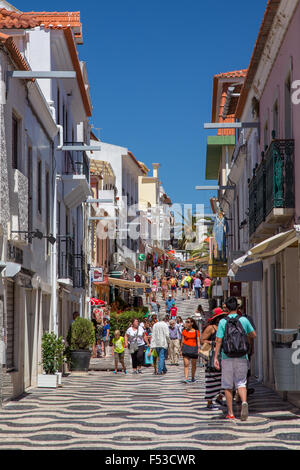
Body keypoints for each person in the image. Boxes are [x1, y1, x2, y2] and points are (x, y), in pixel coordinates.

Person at [214, 297, 256, 421]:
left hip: (227, 356)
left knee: (227, 385)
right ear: (238, 307)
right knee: (241, 382)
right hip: (242, 355)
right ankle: (244, 402)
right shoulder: (244, 320)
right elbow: (253, 335)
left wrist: (216, 357)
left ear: (226, 307)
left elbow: (219, 340)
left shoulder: (222, 322)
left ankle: (231, 413)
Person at [201, 309, 228, 410]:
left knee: (224, 378)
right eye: (221, 317)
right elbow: (202, 340)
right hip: (213, 356)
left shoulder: (224, 327)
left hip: (224, 355)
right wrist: (212, 343)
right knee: (211, 379)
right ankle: (209, 402)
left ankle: (220, 397)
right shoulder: (211, 328)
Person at [181, 317, 201, 383]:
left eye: (188, 322)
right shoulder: (184, 331)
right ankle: (186, 378)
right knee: (186, 364)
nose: (186, 323)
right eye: (186, 322)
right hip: (186, 348)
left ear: (192, 323)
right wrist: (180, 350)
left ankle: (192, 377)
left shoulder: (196, 332)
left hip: (194, 349)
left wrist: (199, 349)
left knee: (194, 364)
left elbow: (198, 341)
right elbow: (182, 341)